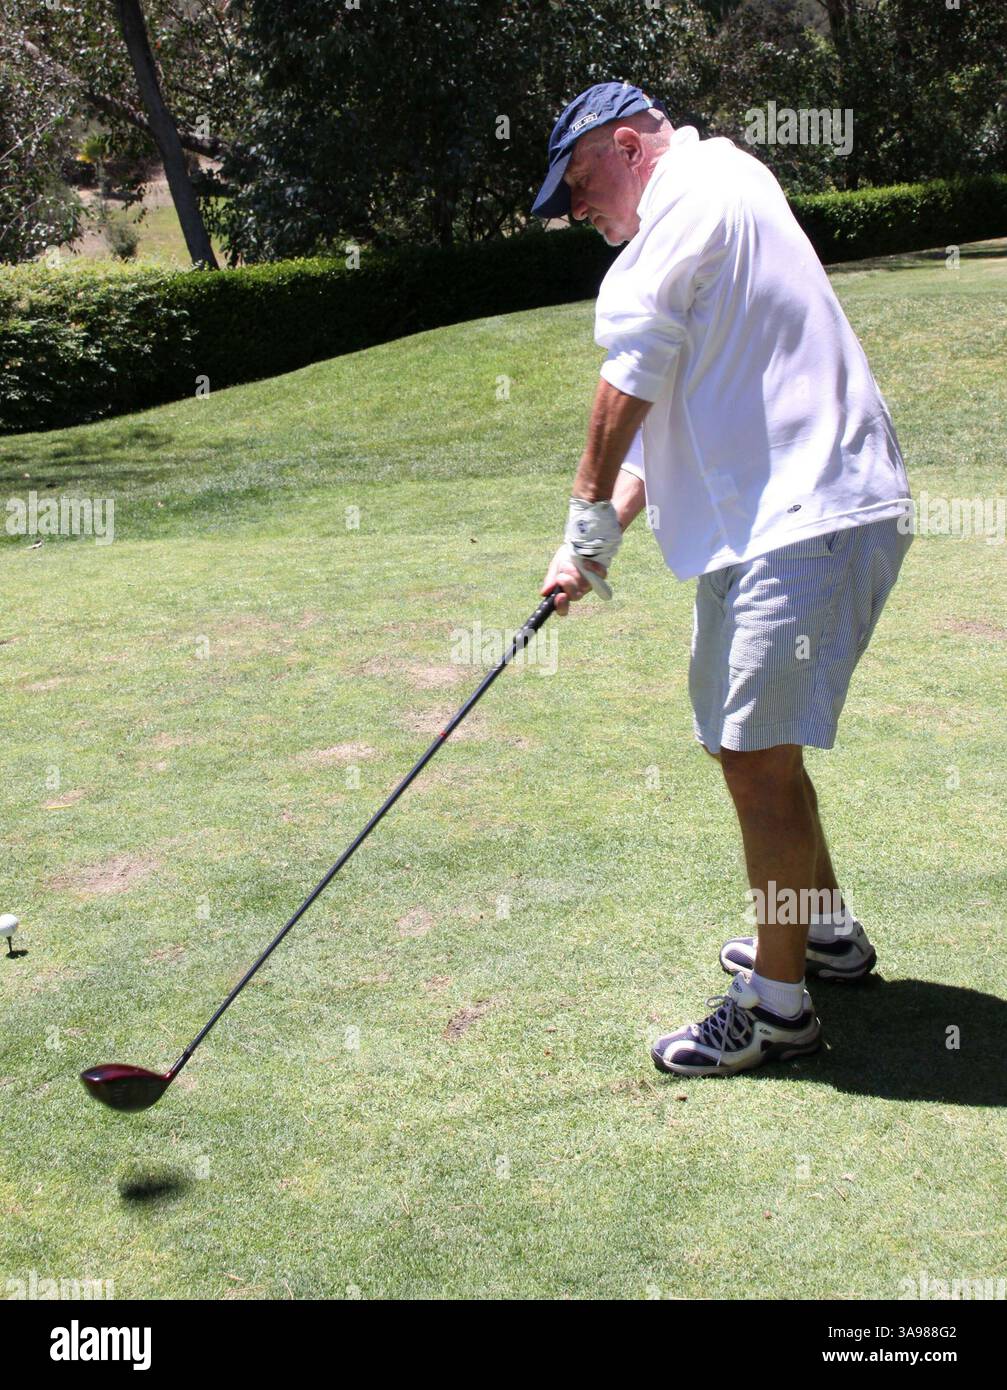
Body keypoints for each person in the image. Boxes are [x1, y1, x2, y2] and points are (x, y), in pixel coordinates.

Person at [533, 82, 914, 1077]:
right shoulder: (713, 201)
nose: (577, 209)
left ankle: (777, 1010)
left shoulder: (694, 194)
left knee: (753, 755)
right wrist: (594, 543)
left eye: (578, 183)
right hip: (771, 523)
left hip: (807, 513)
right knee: (745, 747)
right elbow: (671, 419)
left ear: (626, 146)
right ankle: (820, 931)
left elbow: (627, 374)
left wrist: (580, 514)